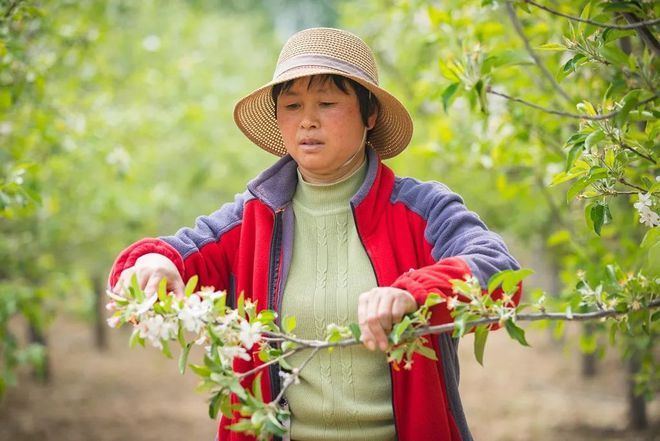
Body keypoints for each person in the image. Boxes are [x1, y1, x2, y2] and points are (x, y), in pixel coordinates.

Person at [108, 27, 520, 441]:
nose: (307, 120)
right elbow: (177, 253)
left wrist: (413, 292)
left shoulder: (421, 209)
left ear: (369, 114)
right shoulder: (253, 216)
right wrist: (154, 262)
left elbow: (497, 270)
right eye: (291, 105)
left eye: (327, 103)